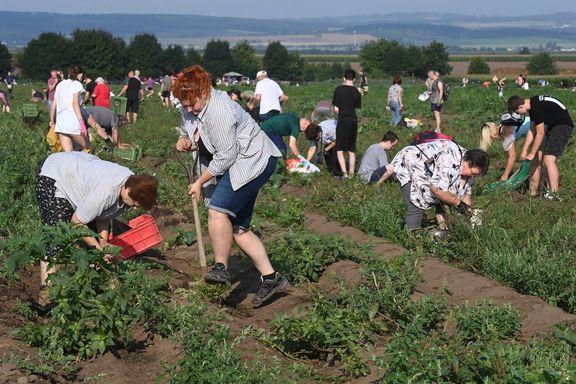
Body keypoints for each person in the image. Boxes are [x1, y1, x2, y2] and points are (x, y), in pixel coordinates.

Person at [173, 65, 287, 307]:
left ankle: (220, 268)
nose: (189, 109)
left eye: (192, 104)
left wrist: (199, 182)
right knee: (238, 228)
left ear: (204, 91)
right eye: (184, 105)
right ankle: (271, 277)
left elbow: (226, 155)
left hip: (252, 160)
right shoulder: (191, 108)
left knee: (218, 210)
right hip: (238, 161)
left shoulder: (220, 112)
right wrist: (185, 140)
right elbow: (192, 133)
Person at [35, 151, 158, 288]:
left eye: (138, 206)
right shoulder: (107, 191)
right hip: (56, 173)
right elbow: (77, 222)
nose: (134, 208)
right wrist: (99, 250)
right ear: (127, 189)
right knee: (56, 236)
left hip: (78, 173)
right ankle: (47, 291)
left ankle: (94, 286)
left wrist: (103, 242)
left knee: (92, 239)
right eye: (134, 203)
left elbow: (103, 214)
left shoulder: (132, 188)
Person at [387, 140, 489, 230]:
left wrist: (468, 211)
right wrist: (458, 203)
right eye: (473, 173)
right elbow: (437, 191)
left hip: (429, 168)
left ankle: (444, 229)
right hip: (410, 162)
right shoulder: (449, 161)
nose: (473, 176)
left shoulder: (467, 165)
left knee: (445, 199)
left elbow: (465, 192)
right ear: (467, 162)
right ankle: (412, 240)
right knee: (416, 203)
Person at [508, 95, 574, 200]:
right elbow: (532, 131)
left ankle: (554, 194)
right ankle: (544, 191)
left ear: (520, 106)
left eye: (517, 112)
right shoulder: (533, 105)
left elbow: (540, 133)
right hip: (554, 126)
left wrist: (532, 152)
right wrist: (525, 150)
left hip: (563, 126)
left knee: (548, 160)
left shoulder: (536, 107)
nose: (519, 114)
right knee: (544, 160)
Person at [479, 112, 532, 181]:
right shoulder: (504, 125)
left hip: (538, 127)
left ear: (492, 133)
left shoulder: (505, 131)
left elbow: (512, 156)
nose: (491, 139)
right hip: (534, 124)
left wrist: (504, 176)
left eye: (489, 137)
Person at [50, 65, 89, 152]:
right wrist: (81, 122)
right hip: (73, 123)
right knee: (90, 146)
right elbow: (75, 104)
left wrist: (52, 122)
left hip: (61, 124)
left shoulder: (60, 85)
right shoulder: (77, 84)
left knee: (69, 155)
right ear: (80, 74)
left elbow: (53, 107)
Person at [332, 68, 362, 178]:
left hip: (343, 120)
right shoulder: (356, 92)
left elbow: (336, 108)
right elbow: (356, 107)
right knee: (351, 150)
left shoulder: (338, 89)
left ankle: (344, 173)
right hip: (353, 120)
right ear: (354, 79)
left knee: (340, 149)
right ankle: (351, 175)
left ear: (344, 78)